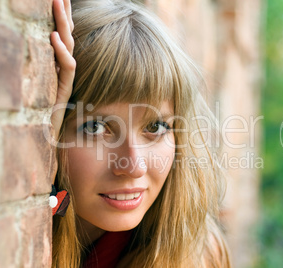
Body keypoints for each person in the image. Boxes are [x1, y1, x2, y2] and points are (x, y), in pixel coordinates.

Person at [50, 0, 231, 267]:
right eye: (96, 128)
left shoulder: (198, 256)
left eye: (155, 127)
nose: (133, 166)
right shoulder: (28, 228)